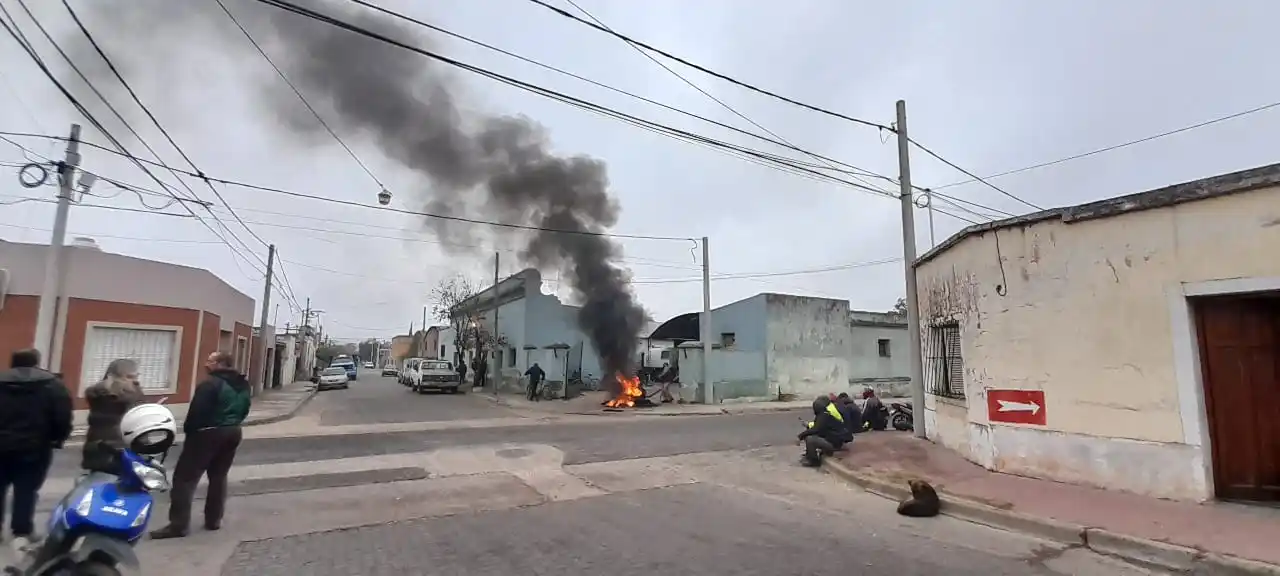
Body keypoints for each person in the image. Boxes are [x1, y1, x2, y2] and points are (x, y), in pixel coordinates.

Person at [151, 351, 251, 540]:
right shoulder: (242, 384)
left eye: (210, 360)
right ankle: (214, 520)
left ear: (220, 364)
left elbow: (197, 413)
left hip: (207, 432)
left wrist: (189, 431)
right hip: (233, 430)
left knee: (185, 479)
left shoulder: (209, 385)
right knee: (219, 476)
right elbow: (245, 408)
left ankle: (178, 525)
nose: (206, 364)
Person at [0, 349, 72, 546]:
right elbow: (63, 416)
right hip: (35, 448)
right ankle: (22, 531)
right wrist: (58, 439)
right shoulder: (53, 386)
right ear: (36, 363)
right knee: (27, 490)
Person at [81, 359, 145, 473]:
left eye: (136, 376)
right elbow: (118, 402)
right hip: (107, 450)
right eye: (129, 377)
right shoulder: (102, 395)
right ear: (112, 377)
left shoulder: (133, 393)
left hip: (124, 448)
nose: (135, 381)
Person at [796, 395, 848, 467]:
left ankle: (814, 461)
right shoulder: (824, 414)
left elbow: (816, 429)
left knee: (810, 439)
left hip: (835, 445)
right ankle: (809, 455)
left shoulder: (824, 416)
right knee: (811, 436)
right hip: (834, 441)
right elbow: (818, 429)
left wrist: (800, 436)